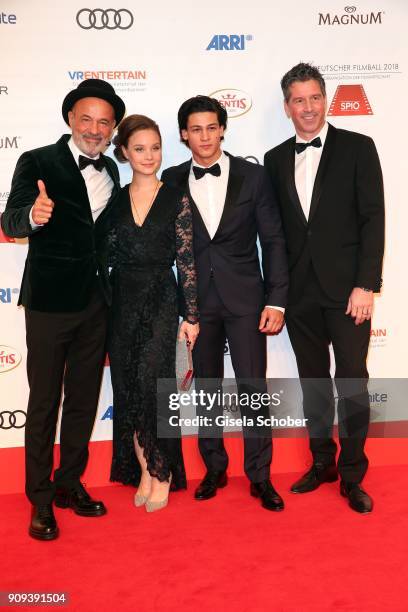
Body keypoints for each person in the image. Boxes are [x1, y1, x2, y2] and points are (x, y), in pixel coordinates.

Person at [1, 79, 126, 539]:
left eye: (104, 122)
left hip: (97, 304)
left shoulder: (112, 170)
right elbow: (9, 218)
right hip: (50, 304)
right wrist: (33, 216)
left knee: (83, 400)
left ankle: (70, 482)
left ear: (112, 129)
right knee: (43, 402)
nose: (94, 129)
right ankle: (40, 498)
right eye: (86, 118)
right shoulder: (37, 161)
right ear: (70, 118)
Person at [264, 63, 385, 513]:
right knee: (313, 382)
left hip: (348, 291)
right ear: (287, 107)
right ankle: (323, 463)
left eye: (315, 97)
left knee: (352, 381)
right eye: (299, 99)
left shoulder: (358, 147)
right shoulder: (275, 159)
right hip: (299, 293)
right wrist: (277, 292)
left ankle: (353, 475)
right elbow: (275, 234)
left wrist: (365, 284)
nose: (308, 107)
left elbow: (374, 218)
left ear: (326, 100)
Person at [162, 96, 288, 511]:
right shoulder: (172, 178)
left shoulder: (254, 176)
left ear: (222, 129)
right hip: (197, 304)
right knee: (207, 389)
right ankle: (214, 467)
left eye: (211, 127)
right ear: (184, 134)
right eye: (195, 129)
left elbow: (272, 240)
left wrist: (277, 300)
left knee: (253, 388)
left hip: (247, 298)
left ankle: (260, 475)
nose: (204, 136)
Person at [108, 115, 199, 512]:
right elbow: (104, 254)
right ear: (124, 152)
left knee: (155, 389)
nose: (149, 156)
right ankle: (144, 470)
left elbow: (187, 261)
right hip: (122, 303)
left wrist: (191, 316)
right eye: (140, 148)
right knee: (128, 392)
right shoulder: (115, 199)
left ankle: (162, 472)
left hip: (162, 300)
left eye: (156, 147)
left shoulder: (176, 196)